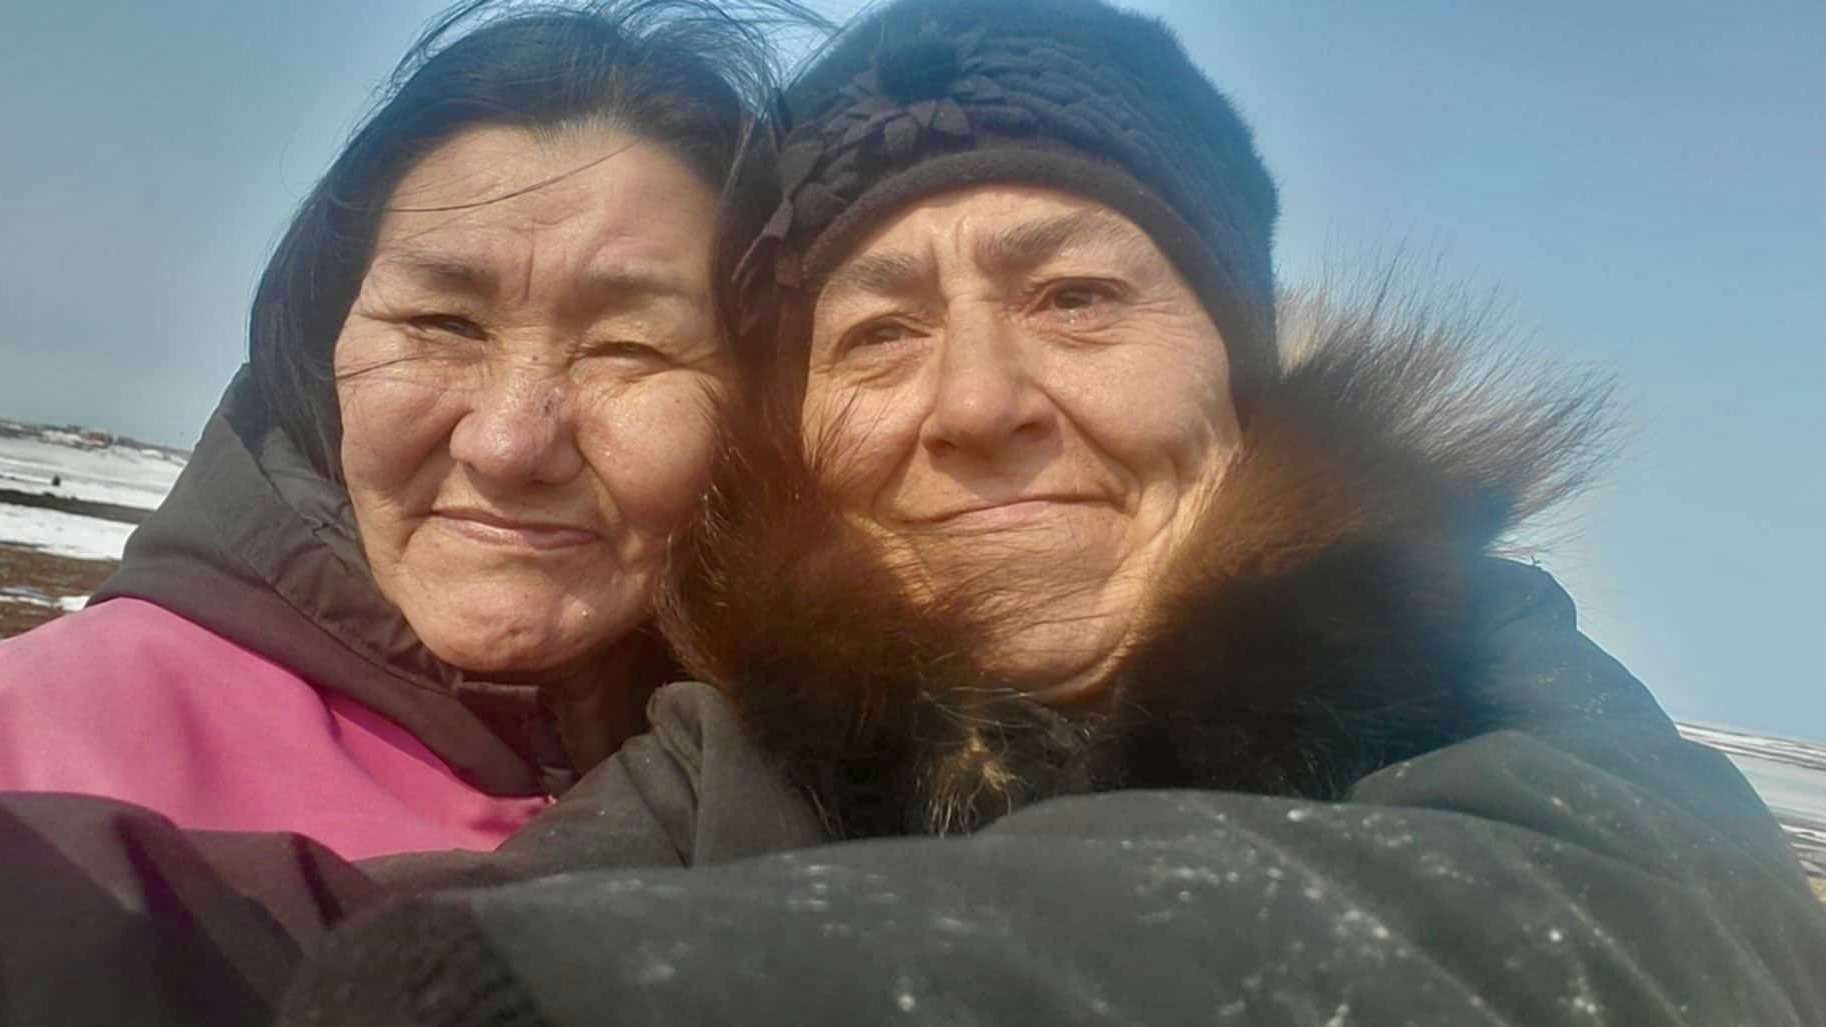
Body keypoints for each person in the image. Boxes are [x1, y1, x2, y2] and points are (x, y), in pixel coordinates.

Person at [277, 0, 1826, 1023]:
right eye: (875, 330)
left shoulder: (1449, 656)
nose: (974, 403)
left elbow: (1643, 929)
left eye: (1077, 295)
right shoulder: (726, 759)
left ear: (1233, 368)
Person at [0, 0, 774, 860]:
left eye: (627, 346)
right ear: (324, 345)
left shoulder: (813, 783)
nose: (509, 444)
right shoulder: (32, 748)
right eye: (446, 323)